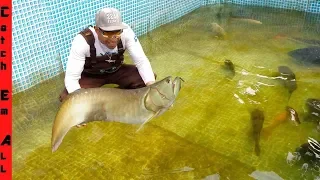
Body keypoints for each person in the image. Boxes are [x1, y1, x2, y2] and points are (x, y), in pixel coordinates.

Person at [59, 7, 156, 102]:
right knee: (67, 98)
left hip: (116, 71)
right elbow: (71, 78)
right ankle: (101, 99)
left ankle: (116, 97)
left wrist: (152, 87)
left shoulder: (126, 33)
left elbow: (141, 61)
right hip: (91, 76)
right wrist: (79, 100)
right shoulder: (83, 41)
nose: (113, 38)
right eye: (108, 33)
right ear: (97, 30)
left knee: (147, 79)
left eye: (117, 32)